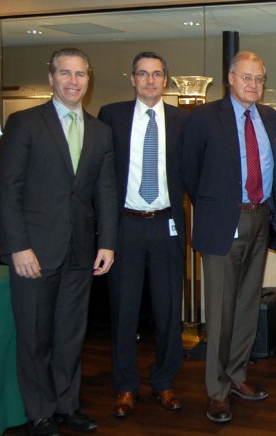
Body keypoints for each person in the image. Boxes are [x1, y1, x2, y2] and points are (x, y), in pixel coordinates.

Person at [0, 48, 117, 436]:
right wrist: (18, 246)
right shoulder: (24, 123)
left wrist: (107, 243)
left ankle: (67, 405)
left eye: (80, 74)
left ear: (88, 79)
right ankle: (40, 412)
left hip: (81, 252)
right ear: (51, 77)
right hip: (34, 252)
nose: (73, 81)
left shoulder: (100, 131)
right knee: (35, 337)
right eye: (65, 73)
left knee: (69, 335)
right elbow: (6, 188)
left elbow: (106, 192)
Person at [181, 51, 276, 424]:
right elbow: (189, 169)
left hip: (260, 219)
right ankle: (217, 390)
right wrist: (215, 205)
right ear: (230, 78)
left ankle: (238, 376)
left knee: (246, 306)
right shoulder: (205, 117)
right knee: (220, 311)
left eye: (259, 78)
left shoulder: (271, 118)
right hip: (224, 221)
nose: (253, 84)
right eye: (246, 77)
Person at [97, 51, 189, 418]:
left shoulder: (183, 120)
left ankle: (164, 383)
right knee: (124, 310)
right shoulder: (112, 116)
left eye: (157, 74)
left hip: (166, 224)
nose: (150, 81)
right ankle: (125, 386)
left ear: (165, 79)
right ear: (132, 79)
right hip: (126, 226)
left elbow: (195, 172)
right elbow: (102, 177)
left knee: (169, 311)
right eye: (143, 74)